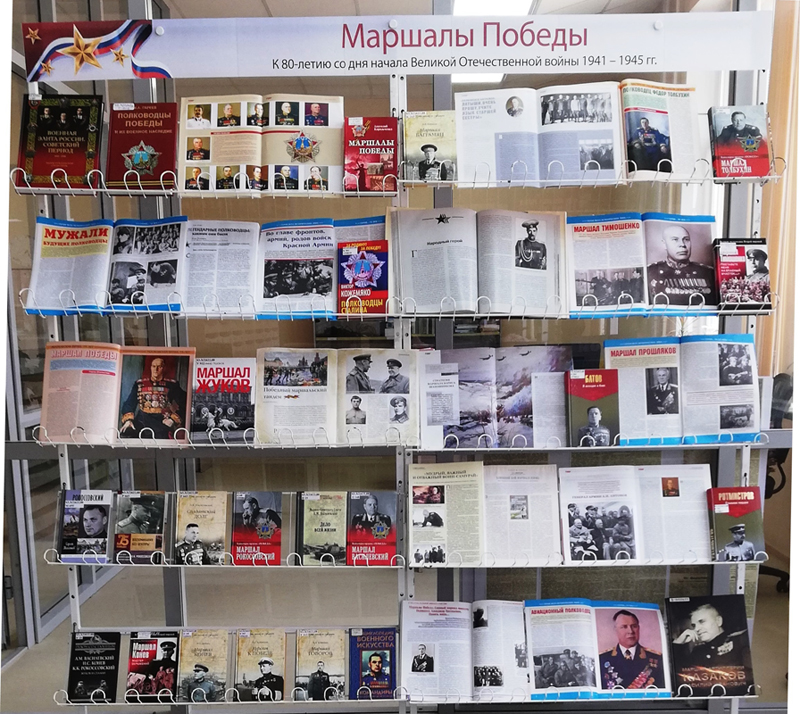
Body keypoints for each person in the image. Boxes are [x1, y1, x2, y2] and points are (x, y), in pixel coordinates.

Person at [672, 603, 752, 674]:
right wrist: (678, 642)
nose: (696, 629)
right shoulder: (698, 652)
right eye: (694, 625)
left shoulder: (740, 640)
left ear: (718, 621)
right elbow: (680, 674)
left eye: (702, 622)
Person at [647, 225, 716, 305]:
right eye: (675, 240)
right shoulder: (650, 271)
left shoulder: (708, 272)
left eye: (686, 239)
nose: (682, 244)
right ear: (664, 244)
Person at [120, 357, 186, 439]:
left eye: (159, 367)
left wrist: (172, 419)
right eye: (154, 366)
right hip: (142, 421)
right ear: (150, 367)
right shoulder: (140, 384)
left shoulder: (171, 385)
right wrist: (128, 420)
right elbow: (129, 403)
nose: (156, 369)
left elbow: (185, 403)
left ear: (163, 368)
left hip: (162, 422)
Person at [599, 610, 665, 689]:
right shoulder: (602, 659)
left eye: (634, 626)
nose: (630, 631)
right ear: (615, 630)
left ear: (638, 628)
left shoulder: (656, 658)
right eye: (624, 627)